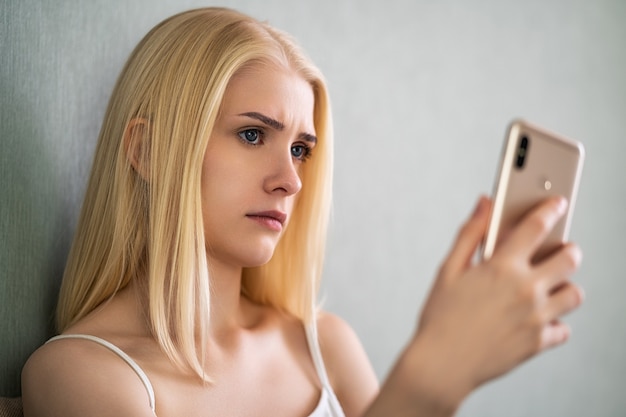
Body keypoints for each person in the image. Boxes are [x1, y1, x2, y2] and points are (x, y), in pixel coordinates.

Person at [21, 7, 584, 417]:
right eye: (250, 134)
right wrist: (432, 377)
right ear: (147, 151)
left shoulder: (324, 347)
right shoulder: (85, 376)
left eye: (300, 149)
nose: (290, 180)